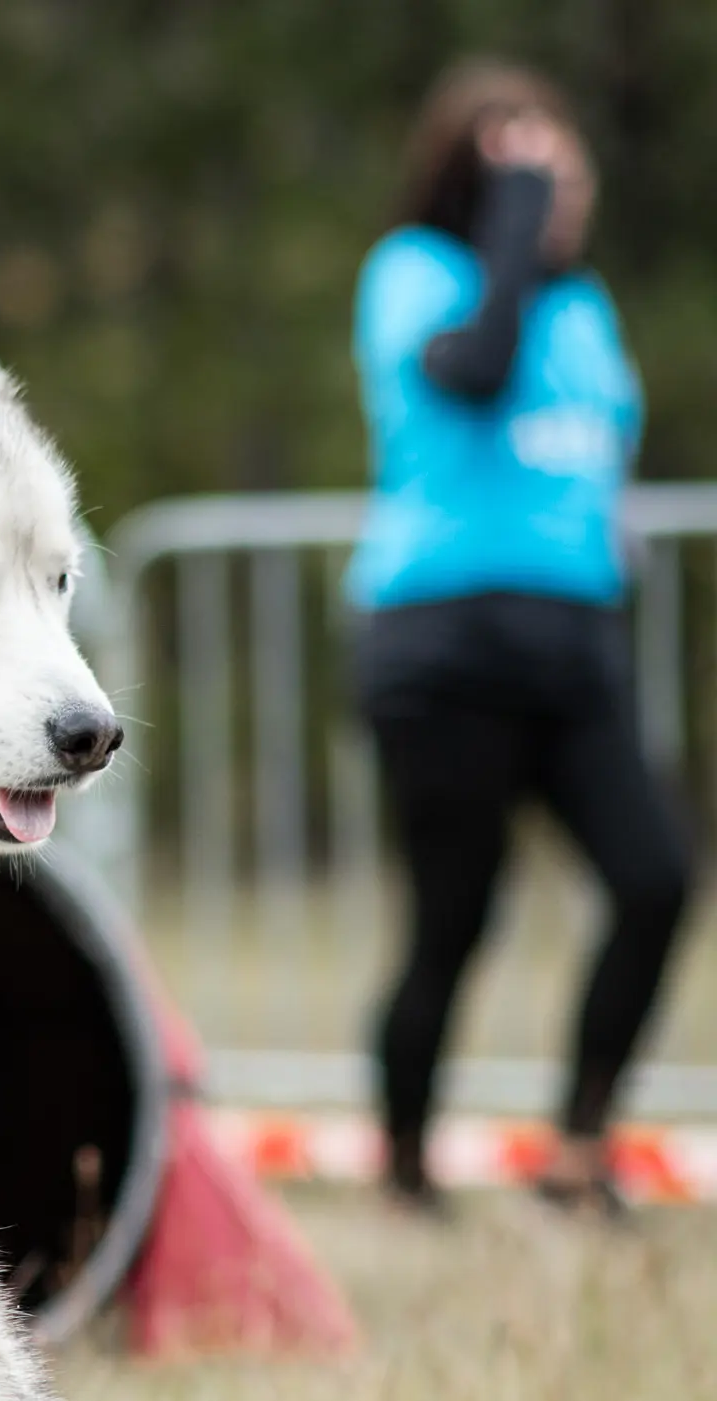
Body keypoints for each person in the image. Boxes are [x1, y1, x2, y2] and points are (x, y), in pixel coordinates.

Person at [345, 57, 693, 1220]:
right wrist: (510, 218)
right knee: (456, 916)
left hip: (570, 649)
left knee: (652, 878)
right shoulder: (413, 276)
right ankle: (401, 1160)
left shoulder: (584, 310)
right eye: (518, 166)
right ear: (473, 180)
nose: (552, 187)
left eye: (559, 165)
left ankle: (577, 1153)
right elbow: (475, 374)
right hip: (441, 650)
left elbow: (591, 451)